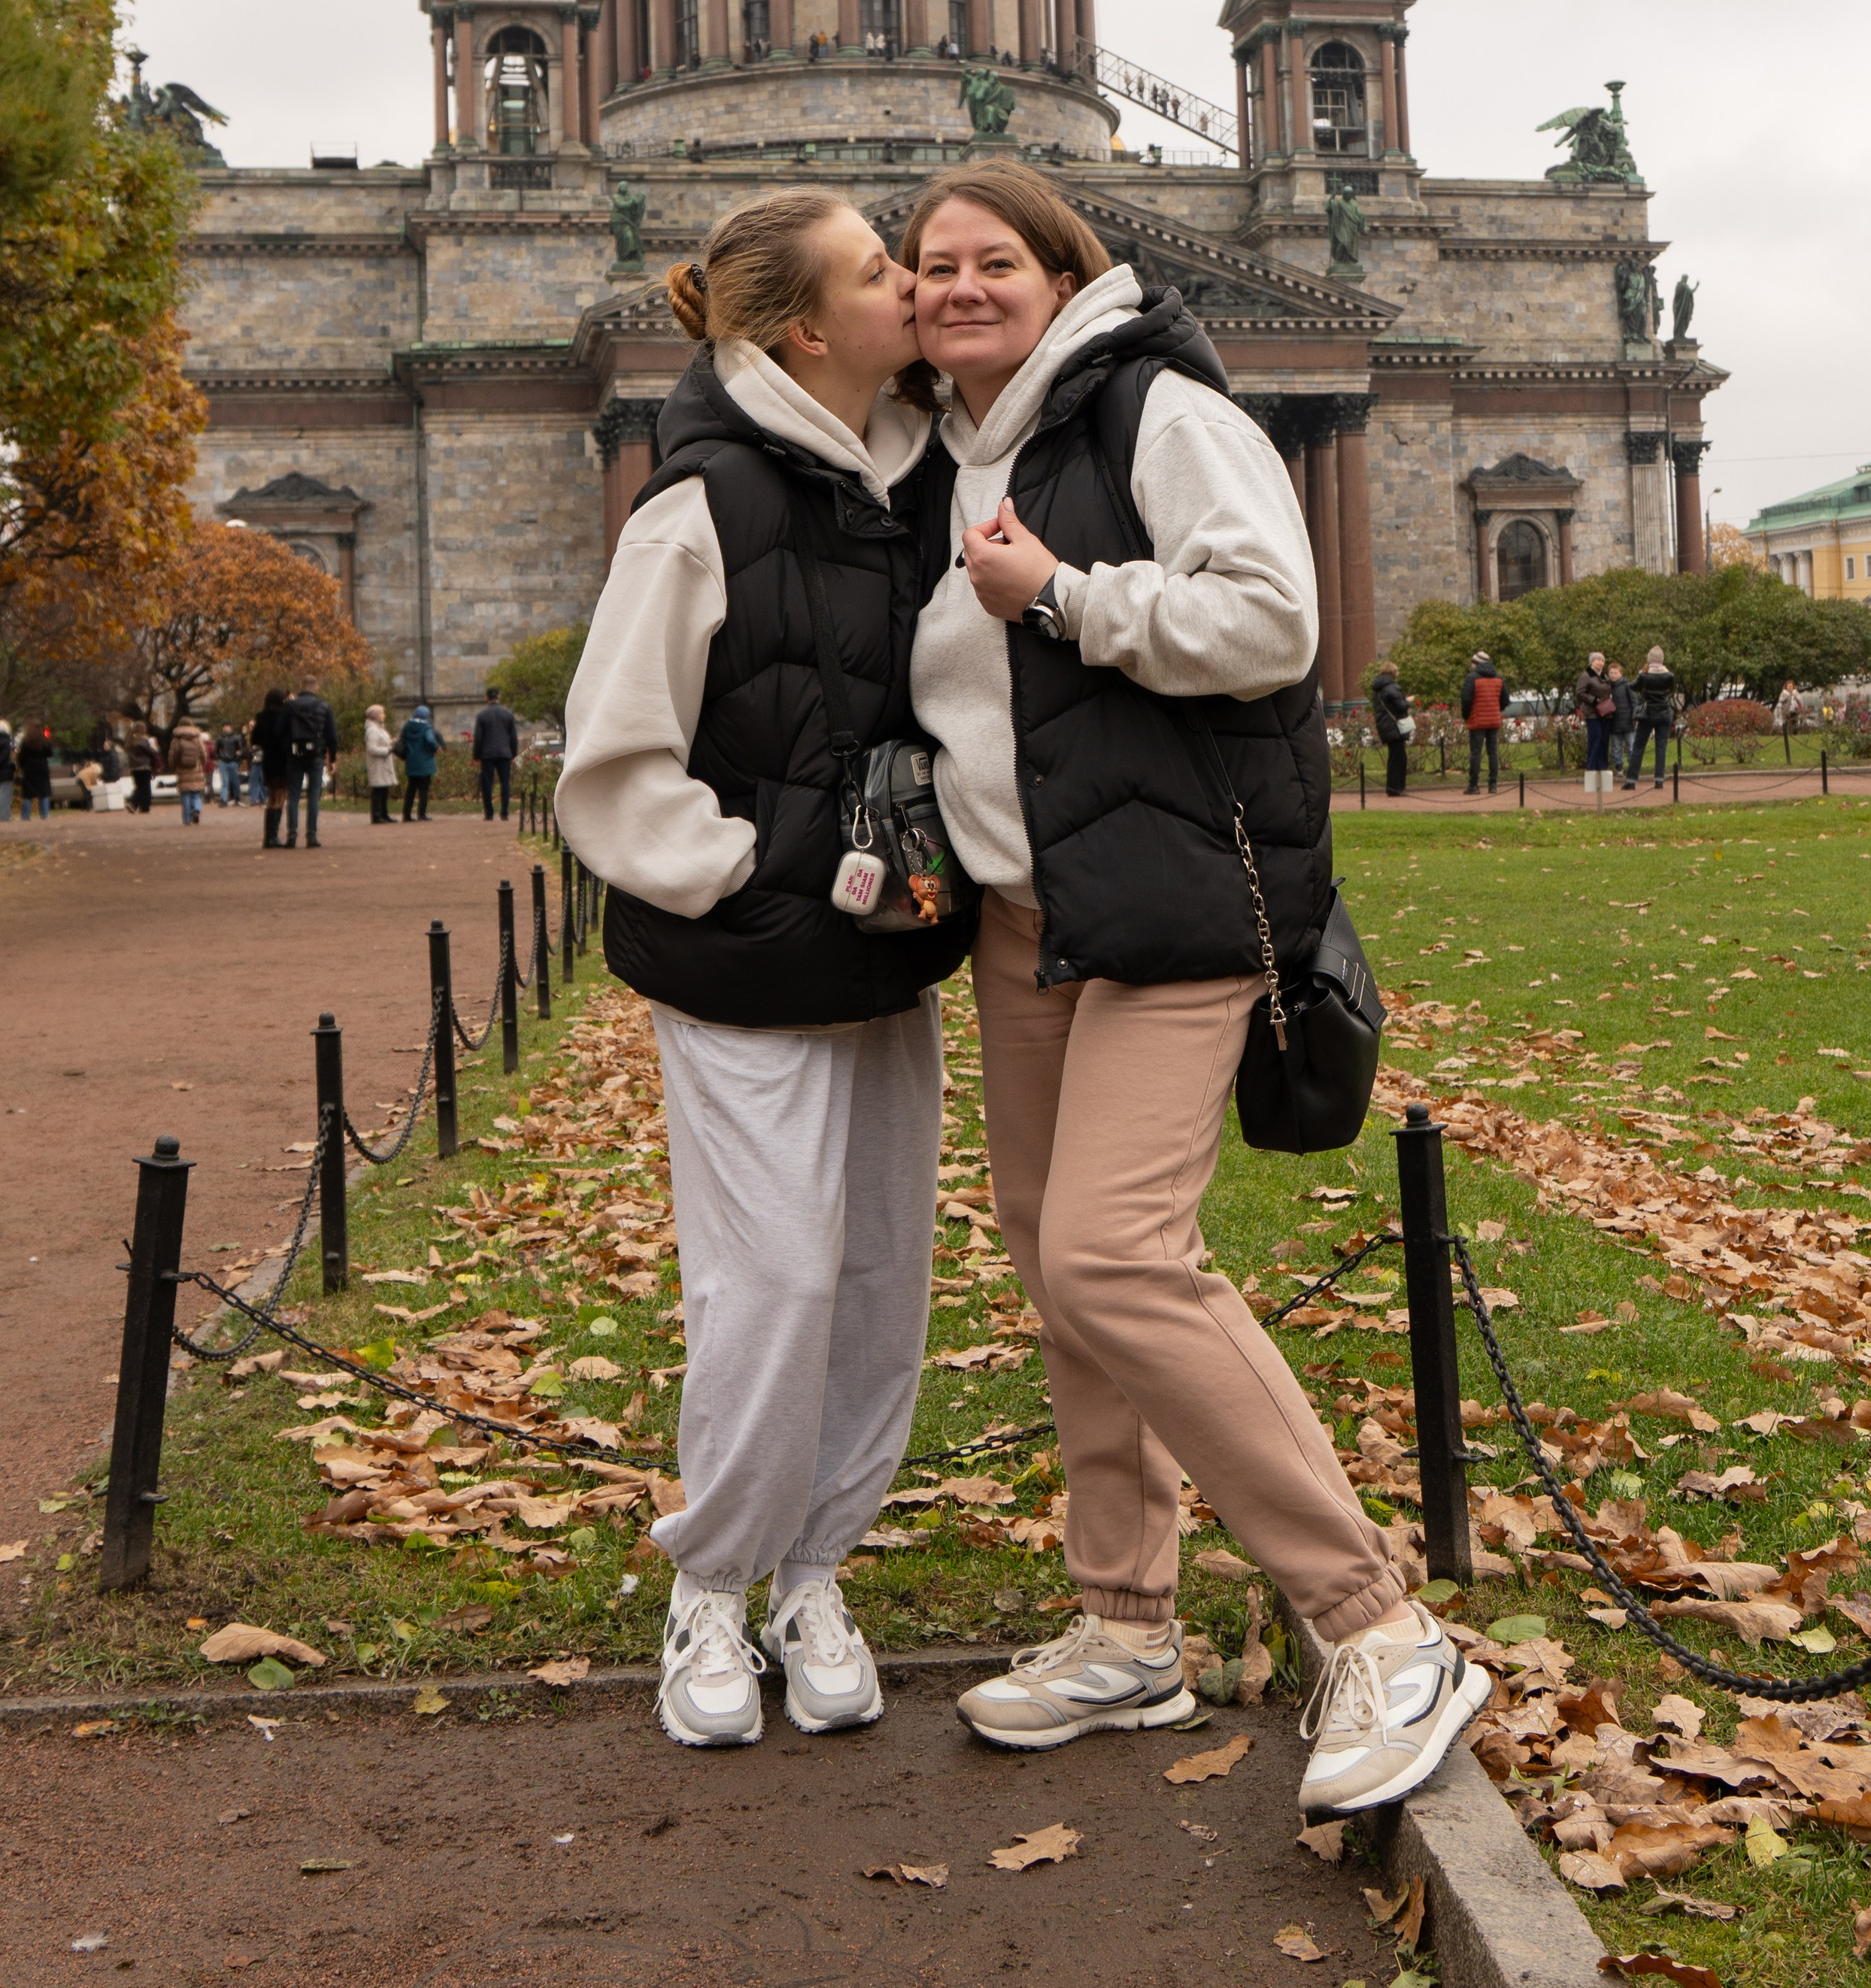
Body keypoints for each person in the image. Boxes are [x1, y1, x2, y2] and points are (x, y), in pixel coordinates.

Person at [900, 165, 1483, 1815]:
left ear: (1063, 265)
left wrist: (1067, 598)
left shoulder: (1151, 403)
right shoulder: (953, 447)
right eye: (929, 264)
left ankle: (1378, 1624)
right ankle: (1123, 1619)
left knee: (1115, 1252)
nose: (954, 287)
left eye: (990, 259)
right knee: (1055, 1263)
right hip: (1028, 911)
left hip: (1169, 900)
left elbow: (1270, 618)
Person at [556, 190, 973, 1754]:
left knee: (874, 1284)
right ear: (807, 326)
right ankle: (711, 1583)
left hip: (887, 947)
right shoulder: (701, 499)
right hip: (746, 960)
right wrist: (741, 879)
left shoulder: (930, 471)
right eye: (886, 268)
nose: (920, 281)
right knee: (775, 1279)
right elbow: (611, 760)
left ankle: (815, 1569)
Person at [283, 683, 336, 848]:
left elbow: (280, 731)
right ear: (316, 687)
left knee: (293, 796)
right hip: (316, 755)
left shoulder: (289, 706)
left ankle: (292, 834)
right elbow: (332, 735)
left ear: (301, 687)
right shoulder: (323, 706)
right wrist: (332, 758)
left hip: (294, 754)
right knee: (314, 795)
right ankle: (311, 835)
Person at [1622, 646, 1679, 792]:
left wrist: (1642, 674)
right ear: (1662, 660)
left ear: (1649, 660)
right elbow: (1671, 690)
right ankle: (1659, 781)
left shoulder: (1644, 676)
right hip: (1664, 712)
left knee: (1639, 747)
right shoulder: (1669, 676)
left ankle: (1631, 781)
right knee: (1661, 748)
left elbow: (1633, 687)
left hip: (1648, 713)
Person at [1460, 650, 1509, 793]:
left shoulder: (1472, 678)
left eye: (1472, 663)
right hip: (1493, 720)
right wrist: (1495, 709)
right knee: (1493, 752)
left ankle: (1473, 785)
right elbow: (1505, 700)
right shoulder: (1499, 678)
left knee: (1476, 752)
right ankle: (1493, 785)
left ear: (1476, 664)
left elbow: (1466, 700)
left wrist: (1466, 715)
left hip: (1477, 720)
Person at [472, 686, 519, 823]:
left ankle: (489, 813)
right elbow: (513, 737)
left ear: (486, 698)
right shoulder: (508, 715)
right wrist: (513, 753)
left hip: (487, 754)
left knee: (487, 783)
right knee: (505, 783)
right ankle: (504, 813)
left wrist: (476, 755)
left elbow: (478, 738)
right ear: (499, 697)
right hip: (505, 753)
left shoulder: (482, 715)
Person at [1370, 659, 1414, 796]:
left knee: (1396, 757)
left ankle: (1395, 787)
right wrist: (1408, 701)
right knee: (1398, 758)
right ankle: (1396, 788)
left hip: (1386, 725)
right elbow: (1400, 706)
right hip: (1394, 726)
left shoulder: (1379, 689)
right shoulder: (1391, 688)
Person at [254, 688, 290, 847]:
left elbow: (255, 739)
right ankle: (272, 836)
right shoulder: (283, 717)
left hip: (268, 760)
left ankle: (269, 836)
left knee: (271, 797)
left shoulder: (261, 718)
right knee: (280, 796)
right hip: (282, 759)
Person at [1575, 651, 1615, 793]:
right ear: (1592, 662)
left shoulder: (1603, 676)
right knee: (1595, 740)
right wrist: (1594, 700)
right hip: (1593, 714)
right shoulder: (1586, 675)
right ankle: (1591, 771)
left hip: (1605, 713)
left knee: (1604, 741)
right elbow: (1579, 692)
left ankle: (1602, 770)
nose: (1600, 663)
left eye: (1602, 661)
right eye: (1598, 660)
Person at [399, 703, 443, 820]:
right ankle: (421, 814)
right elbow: (430, 740)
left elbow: (402, 739)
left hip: (411, 761)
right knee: (424, 790)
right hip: (425, 762)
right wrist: (436, 748)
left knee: (411, 789)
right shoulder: (426, 727)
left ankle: (406, 814)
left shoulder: (407, 726)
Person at [168, 714, 208, 825]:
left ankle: (187, 819)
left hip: (182, 769)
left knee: (185, 795)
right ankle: (196, 810)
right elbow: (203, 753)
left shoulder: (176, 739)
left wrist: (173, 765)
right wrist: (202, 763)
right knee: (196, 794)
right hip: (196, 768)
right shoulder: (197, 737)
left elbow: (173, 755)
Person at [364, 703, 397, 824]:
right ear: (376, 716)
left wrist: (392, 743)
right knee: (378, 790)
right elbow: (372, 749)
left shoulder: (380, 728)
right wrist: (388, 750)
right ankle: (377, 816)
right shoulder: (372, 730)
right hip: (378, 765)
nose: (384, 715)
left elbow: (383, 743)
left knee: (384, 790)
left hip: (384, 764)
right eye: (382, 713)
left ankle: (384, 814)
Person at [1606, 659, 1635, 782]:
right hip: (1614, 722)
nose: (1613, 675)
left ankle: (1633, 768)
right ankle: (1619, 768)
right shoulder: (1607, 687)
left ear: (1621, 673)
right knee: (1616, 748)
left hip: (1628, 721)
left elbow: (1634, 701)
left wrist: (1635, 717)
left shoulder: (1628, 685)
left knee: (1631, 747)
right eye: (1611, 673)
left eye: (1615, 673)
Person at [17, 725, 53, 820]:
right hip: (42, 769)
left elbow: (21, 757)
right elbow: (50, 753)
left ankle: (25, 816)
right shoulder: (43, 741)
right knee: (44, 793)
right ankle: (45, 815)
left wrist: (23, 766)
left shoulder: (26, 742)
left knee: (28, 794)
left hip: (30, 769)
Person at [212, 722, 244, 808]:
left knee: (235, 781)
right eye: (224, 727)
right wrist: (218, 758)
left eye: (227, 726)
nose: (226, 728)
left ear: (231, 727)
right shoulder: (220, 739)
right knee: (225, 781)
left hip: (233, 761)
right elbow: (216, 750)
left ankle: (237, 797)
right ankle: (224, 800)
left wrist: (237, 760)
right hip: (223, 762)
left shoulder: (236, 738)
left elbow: (240, 750)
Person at [127, 726, 157, 816]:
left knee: (139, 786)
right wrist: (153, 746)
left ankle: (135, 804)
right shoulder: (143, 741)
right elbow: (152, 752)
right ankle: (142, 805)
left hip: (134, 767)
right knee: (146, 787)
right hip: (144, 766)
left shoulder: (130, 741)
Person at [0, 724, 14, 823]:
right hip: (5, 772)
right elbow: (5, 757)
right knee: (5, 795)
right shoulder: (6, 743)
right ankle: (4, 816)